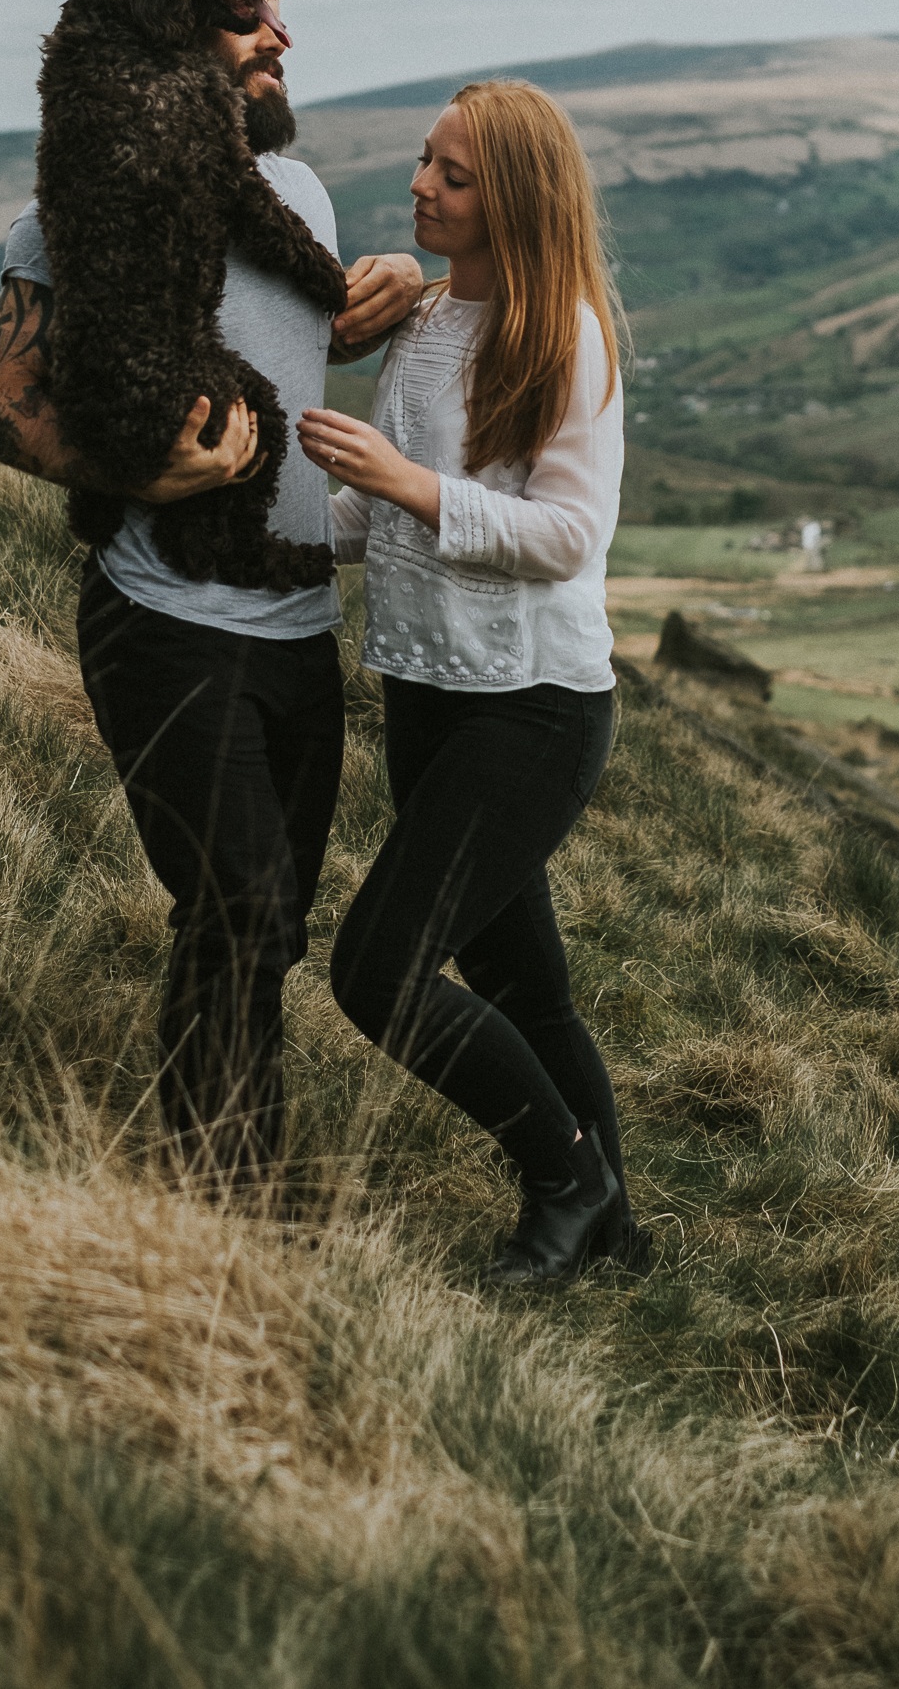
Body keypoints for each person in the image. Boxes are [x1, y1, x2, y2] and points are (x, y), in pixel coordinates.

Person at [0, 0, 424, 1197]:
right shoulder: (80, 214)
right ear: (170, 34)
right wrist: (140, 471)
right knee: (235, 901)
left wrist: (366, 294)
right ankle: (218, 1198)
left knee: (269, 927)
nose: (281, 33)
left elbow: (286, 343)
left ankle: (235, 1164)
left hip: (296, 623)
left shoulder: (301, 194)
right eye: (247, 10)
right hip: (162, 621)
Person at [297, 79, 652, 1286]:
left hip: (535, 708)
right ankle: (611, 1237)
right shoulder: (426, 321)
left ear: (514, 196)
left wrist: (403, 484)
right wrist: (273, 533)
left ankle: (562, 1182)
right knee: (521, 983)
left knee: (377, 969)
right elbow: (376, 512)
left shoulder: (569, 335)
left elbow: (566, 536)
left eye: (452, 174)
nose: (420, 187)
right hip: (425, 692)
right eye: (422, 163)